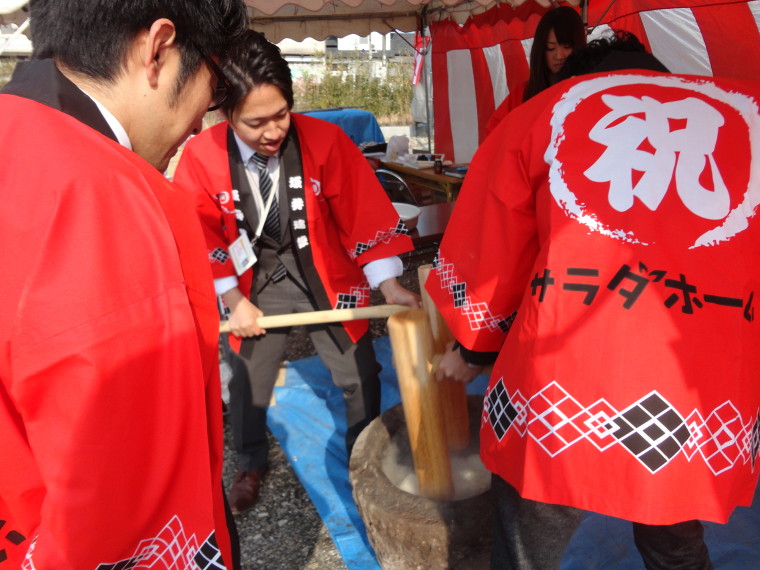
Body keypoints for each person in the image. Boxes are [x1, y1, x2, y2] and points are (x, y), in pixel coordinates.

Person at [428, 32, 759, 568]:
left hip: (566, 381)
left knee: (531, 529)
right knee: (671, 525)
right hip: (695, 387)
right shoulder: (747, 116)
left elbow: (493, 260)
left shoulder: (543, 115)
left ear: (578, 74)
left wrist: (474, 351)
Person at [0, 0, 248, 567]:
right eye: (213, 74)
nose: (208, 109)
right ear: (158, 48)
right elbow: (119, 497)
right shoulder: (101, 194)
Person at [173, 30, 420, 514]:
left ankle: (362, 457)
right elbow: (198, 232)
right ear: (225, 113)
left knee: (360, 371)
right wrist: (230, 298)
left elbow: (362, 213)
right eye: (255, 122)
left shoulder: (326, 141)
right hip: (254, 280)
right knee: (249, 378)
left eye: (281, 114)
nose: (272, 131)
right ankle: (249, 462)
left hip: (324, 274)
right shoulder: (202, 156)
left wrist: (389, 283)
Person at [484, 5, 586, 136]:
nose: (559, 55)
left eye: (567, 46)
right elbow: (494, 137)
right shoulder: (522, 94)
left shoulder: (591, 90)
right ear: (540, 49)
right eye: (551, 47)